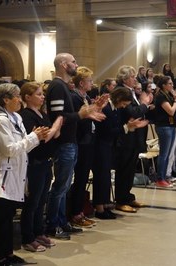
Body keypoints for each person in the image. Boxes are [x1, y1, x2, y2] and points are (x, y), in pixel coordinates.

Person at [0, 83, 49, 265]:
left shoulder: (15, 118)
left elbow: (23, 147)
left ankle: (9, 254)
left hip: (16, 174)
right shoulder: (0, 121)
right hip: (2, 176)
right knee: (2, 219)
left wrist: (36, 138)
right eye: (17, 96)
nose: (20, 100)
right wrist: (33, 137)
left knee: (8, 216)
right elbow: (10, 150)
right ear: (6, 100)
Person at [45, 53, 106, 239]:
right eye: (73, 62)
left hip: (71, 142)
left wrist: (87, 113)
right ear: (63, 65)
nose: (76, 64)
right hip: (63, 142)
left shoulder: (63, 86)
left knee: (64, 186)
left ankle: (63, 221)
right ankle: (53, 224)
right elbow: (58, 118)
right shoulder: (57, 86)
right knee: (60, 187)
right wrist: (81, 115)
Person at [19, 82, 62, 252]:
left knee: (42, 200)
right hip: (35, 162)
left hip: (46, 161)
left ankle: (39, 232)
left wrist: (53, 129)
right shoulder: (26, 115)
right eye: (38, 94)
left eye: (41, 94)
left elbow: (54, 135)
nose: (42, 96)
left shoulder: (43, 114)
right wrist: (56, 126)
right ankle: (28, 237)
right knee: (33, 201)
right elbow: (41, 138)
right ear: (27, 97)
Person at [93, 87, 146, 219]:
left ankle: (105, 205)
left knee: (106, 177)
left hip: (109, 145)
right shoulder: (106, 108)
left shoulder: (115, 108)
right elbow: (107, 131)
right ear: (119, 99)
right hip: (100, 146)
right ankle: (99, 208)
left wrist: (129, 126)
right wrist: (127, 127)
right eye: (124, 103)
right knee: (101, 177)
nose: (124, 106)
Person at [114, 65, 151, 213]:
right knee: (124, 169)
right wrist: (144, 104)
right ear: (124, 78)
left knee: (130, 168)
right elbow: (132, 112)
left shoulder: (130, 91)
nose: (135, 79)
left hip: (134, 135)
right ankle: (120, 199)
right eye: (132, 76)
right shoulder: (120, 91)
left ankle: (128, 196)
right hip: (125, 136)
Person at [69, 66, 98, 228]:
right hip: (81, 141)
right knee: (80, 178)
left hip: (88, 140)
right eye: (89, 80)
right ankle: (75, 212)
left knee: (83, 177)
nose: (92, 83)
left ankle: (79, 210)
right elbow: (77, 119)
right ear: (81, 83)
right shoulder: (75, 98)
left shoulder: (84, 97)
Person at [153, 76, 176, 187]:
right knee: (164, 154)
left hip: (171, 126)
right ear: (163, 85)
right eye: (169, 83)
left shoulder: (168, 94)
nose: (172, 85)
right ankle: (160, 178)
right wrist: (175, 100)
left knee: (168, 153)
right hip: (164, 127)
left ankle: (165, 176)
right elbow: (170, 111)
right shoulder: (160, 96)